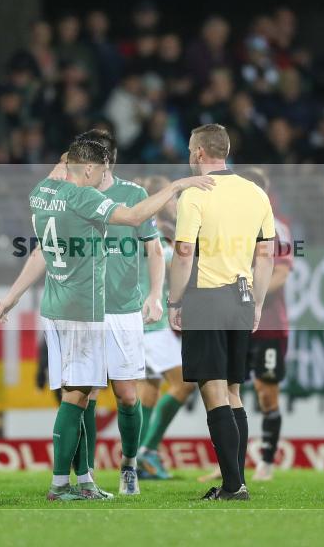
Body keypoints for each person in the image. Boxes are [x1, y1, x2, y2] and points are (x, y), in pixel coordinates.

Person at [0, 137, 213, 502]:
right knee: (83, 395)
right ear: (90, 166)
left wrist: (154, 295)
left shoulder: (58, 192)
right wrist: (176, 186)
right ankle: (74, 481)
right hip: (85, 307)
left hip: (112, 307)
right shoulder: (83, 197)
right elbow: (128, 218)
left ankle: (122, 466)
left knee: (123, 396)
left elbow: (152, 247)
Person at [167, 123, 276, 501]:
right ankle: (238, 480)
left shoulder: (195, 194)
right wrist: (258, 301)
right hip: (243, 295)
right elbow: (266, 256)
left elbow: (183, 254)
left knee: (213, 391)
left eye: (189, 150)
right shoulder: (255, 193)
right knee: (233, 391)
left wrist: (175, 300)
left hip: (207, 296)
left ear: (199, 152)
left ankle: (233, 486)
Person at [136, 175, 198, 480]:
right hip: (149, 326)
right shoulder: (154, 236)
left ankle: (137, 458)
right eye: (172, 199)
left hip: (140, 323)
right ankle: (147, 451)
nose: (176, 204)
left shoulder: (144, 231)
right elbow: (177, 262)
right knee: (185, 382)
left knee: (148, 390)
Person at [235, 167, 293, 482]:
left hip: (269, 325)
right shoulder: (227, 226)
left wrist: (246, 294)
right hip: (236, 325)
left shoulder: (277, 230)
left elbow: (280, 274)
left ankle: (266, 463)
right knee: (229, 388)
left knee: (266, 392)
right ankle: (229, 463)